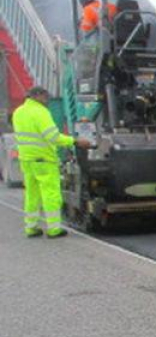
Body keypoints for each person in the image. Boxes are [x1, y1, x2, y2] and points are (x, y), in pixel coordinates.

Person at [11, 86, 93, 237]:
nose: (47, 100)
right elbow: (53, 137)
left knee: (32, 195)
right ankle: (54, 229)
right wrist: (75, 141)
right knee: (51, 194)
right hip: (44, 161)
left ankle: (31, 228)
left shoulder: (19, 112)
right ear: (38, 96)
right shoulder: (41, 112)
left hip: (27, 160)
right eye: (46, 97)